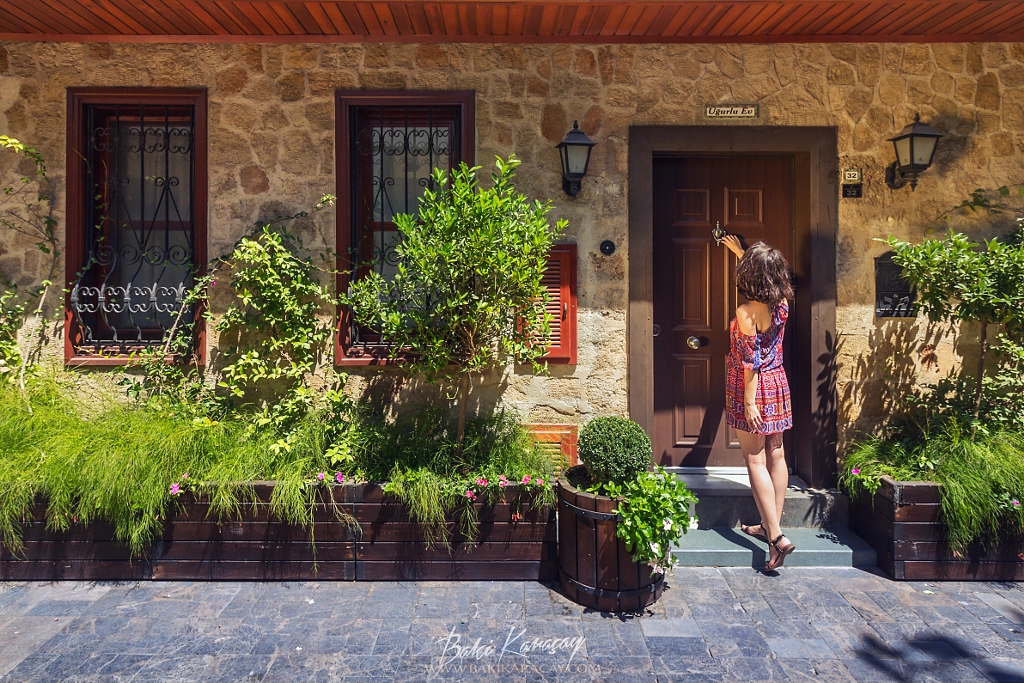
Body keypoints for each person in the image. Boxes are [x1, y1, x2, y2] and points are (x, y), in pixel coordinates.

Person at [721, 235, 795, 572]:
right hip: (778, 382)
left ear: (749, 276)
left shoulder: (746, 311)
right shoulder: (781, 304)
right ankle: (770, 524)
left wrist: (749, 403)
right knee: (776, 454)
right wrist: (741, 253)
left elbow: (750, 362)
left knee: (754, 459)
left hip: (752, 386)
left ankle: (776, 536)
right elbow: (765, 275)